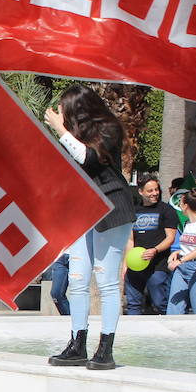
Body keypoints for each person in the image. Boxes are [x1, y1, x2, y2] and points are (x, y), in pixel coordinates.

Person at [43, 86, 137, 370]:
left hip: (111, 207)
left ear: (77, 108)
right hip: (82, 211)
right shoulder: (74, 135)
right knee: (77, 280)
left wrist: (60, 130)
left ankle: (105, 348)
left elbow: (88, 158)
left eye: (64, 108)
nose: (60, 112)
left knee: (107, 281)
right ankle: (77, 343)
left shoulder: (108, 129)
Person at [124, 174, 178, 315]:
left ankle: (165, 326)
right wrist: (125, 265)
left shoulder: (166, 210)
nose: (154, 193)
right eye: (150, 191)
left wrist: (155, 250)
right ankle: (133, 328)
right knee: (133, 304)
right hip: (136, 264)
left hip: (158, 266)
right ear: (141, 192)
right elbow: (130, 240)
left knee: (160, 303)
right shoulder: (134, 211)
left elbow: (170, 238)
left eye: (156, 189)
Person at [166, 189, 196, 315]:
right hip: (182, 268)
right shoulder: (187, 224)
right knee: (174, 307)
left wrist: (180, 260)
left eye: (181, 203)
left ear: (186, 206)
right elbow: (190, 246)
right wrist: (177, 253)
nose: (179, 206)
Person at [48, 250, 70, 315]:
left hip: (79, 254)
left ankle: (80, 319)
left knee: (79, 291)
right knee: (56, 294)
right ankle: (68, 318)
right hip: (60, 255)